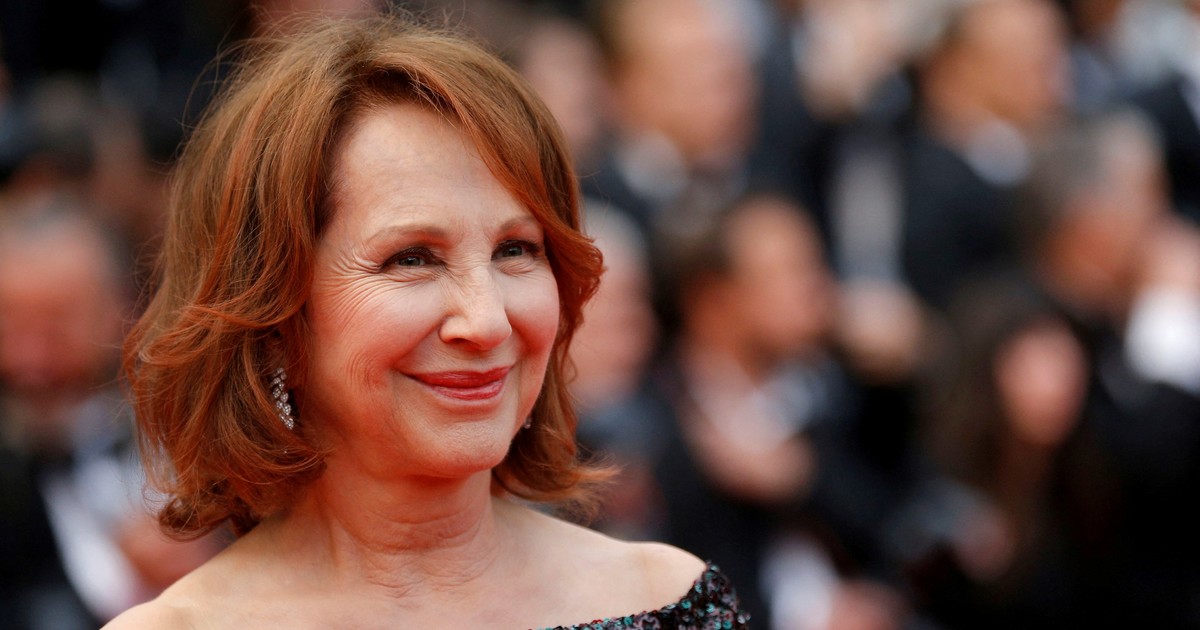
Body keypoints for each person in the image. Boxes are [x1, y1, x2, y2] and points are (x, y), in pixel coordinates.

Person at [105, 16, 747, 629]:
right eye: (411, 259)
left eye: (516, 250)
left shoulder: (667, 599)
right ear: (268, 314)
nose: (488, 322)